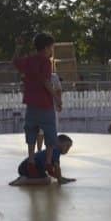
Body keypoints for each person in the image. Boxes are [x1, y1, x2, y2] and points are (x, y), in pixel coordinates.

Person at [14, 32, 61, 170]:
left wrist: (17, 47)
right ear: (46, 48)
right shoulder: (45, 62)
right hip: (45, 105)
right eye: (51, 47)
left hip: (31, 105)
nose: (52, 51)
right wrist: (56, 98)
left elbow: (15, 62)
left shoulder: (29, 60)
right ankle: (48, 163)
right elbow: (46, 82)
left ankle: (31, 161)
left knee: (31, 133)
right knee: (50, 134)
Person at [9, 135, 74, 186]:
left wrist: (61, 178)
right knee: (47, 180)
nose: (67, 149)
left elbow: (52, 172)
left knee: (48, 178)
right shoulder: (56, 150)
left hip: (24, 166)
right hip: (31, 166)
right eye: (67, 146)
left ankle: (24, 178)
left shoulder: (51, 150)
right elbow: (57, 167)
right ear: (58, 143)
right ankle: (25, 180)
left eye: (69, 147)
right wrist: (60, 179)